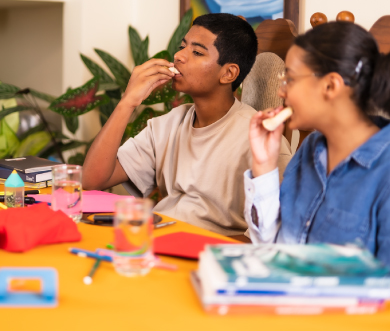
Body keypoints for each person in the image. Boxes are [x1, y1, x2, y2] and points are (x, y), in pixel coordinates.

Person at [244, 21, 390, 302]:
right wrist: (264, 165)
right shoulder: (311, 149)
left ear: (331, 85)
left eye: (290, 79)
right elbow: (274, 251)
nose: (281, 91)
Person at [83, 13, 292, 237]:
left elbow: (273, 235)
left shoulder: (261, 141)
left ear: (228, 73)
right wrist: (127, 102)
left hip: (206, 252)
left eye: (197, 52)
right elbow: (92, 180)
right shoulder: (168, 125)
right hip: (156, 238)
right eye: (183, 46)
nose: (179, 56)